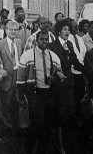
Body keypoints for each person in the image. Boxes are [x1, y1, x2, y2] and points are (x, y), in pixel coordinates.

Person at [17, 30, 64, 154]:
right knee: (37, 124)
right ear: (36, 41)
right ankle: (28, 146)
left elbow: (60, 76)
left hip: (49, 94)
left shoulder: (54, 56)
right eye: (42, 39)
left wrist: (55, 79)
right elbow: (20, 79)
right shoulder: (27, 56)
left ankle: (41, 150)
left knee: (47, 125)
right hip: (34, 94)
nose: (44, 42)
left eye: (46, 39)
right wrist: (21, 97)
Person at [48, 19, 85, 153]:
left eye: (68, 30)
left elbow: (75, 61)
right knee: (58, 114)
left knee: (69, 114)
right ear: (59, 31)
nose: (67, 32)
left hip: (69, 84)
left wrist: (89, 72)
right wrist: (58, 73)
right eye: (64, 29)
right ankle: (58, 143)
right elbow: (51, 65)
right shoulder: (52, 46)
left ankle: (68, 142)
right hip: (58, 86)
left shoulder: (69, 44)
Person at [0, 21, 23, 130]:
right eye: (11, 30)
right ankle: (5, 123)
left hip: (18, 76)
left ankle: (17, 124)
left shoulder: (20, 43)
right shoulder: (0, 44)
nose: (13, 32)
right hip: (6, 78)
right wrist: (1, 71)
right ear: (6, 30)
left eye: (15, 30)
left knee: (17, 101)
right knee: (6, 101)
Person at [67, 18, 87, 124]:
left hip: (80, 72)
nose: (77, 28)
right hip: (72, 72)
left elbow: (84, 54)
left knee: (80, 95)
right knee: (73, 98)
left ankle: (77, 117)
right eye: (75, 26)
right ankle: (72, 119)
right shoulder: (67, 39)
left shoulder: (79, 39)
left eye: (77, 26)